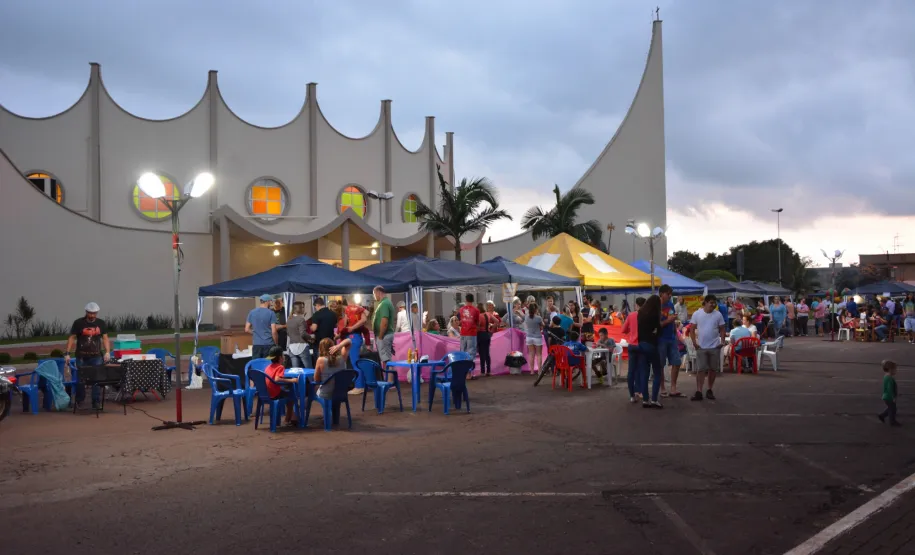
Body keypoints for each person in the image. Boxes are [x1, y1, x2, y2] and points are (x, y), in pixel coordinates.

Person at [64, 302, 112, 410]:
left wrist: (107, 352)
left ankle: (96, 401)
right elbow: (72, 338)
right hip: (81, 356)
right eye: (90, 313)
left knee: (96, 379)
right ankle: (79, 400)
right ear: (86, 312)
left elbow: (105, 338)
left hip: (96, 356)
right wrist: (67, 353)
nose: (92, 315)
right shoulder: (78, 323)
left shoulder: (101, 323)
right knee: (81, 379)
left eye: (94, 313)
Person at [689, 294, 726, 401]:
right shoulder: (697, 314)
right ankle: (699, 391)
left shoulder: (718, 314)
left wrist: (722, 341)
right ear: (705, 302)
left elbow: (722, 328)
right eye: (711, 303)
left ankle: (709, 389)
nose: (713, 305)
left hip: (715, 346)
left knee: (713, 369)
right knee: (700, 369)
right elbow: (692, 329)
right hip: (701, 346)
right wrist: (694, 342)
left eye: (715, 303)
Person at [636, 295, 663, 409]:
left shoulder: (640, 313)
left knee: (644, 373)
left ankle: (645, 400)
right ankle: (654, 399)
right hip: (651, 345)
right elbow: (658, 330)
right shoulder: (655, 314)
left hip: (641, 344)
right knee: (657, 372)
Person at [264, 346, 300, 426]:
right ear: (280, 357)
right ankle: (288, 419)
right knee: (292, 396)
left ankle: (291, 416)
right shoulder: (280, 367)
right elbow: (277, 379)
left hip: (267, 392)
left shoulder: (268, 367)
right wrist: (292, 380)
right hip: (275, 393)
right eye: (283, 355)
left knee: (287, 392)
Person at [657, 284, 682, 397]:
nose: (670, 296)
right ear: (661, 294)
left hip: (671, 338)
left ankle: (673, 387)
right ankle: (662, 387)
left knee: (677, 362)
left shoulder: (671, 304)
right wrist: (668, 320)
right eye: (668, 294)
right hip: (661, 338)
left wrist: (675, 332)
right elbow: (656, 325)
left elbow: (672, 319)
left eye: (671, 294)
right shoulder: (656, 306)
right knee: (661, 364)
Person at [621, 297, 645, 403]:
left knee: (631, 371)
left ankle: (632, 395)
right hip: (642, 345)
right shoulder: (647, 315)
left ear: (636, 305)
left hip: (632, 345)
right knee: (642, 369)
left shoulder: (631, 315)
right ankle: (641, 391)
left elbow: (623, 330)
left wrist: (631, 329)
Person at [371, 286, 395, 387]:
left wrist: (380, 336)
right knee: (386, 358)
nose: (374, 296)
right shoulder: (385, 303)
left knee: (386, 358)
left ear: (378, 292)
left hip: (384, 335)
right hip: (385, 335)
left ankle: (390, 382)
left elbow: (384, 322)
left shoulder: (384, 304)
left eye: (374, 294)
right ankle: (388, 381)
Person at [314, 337, 351, 402]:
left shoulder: (320, 360)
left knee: (311, 393)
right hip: (341, 393)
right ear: (333, 346)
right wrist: (339, 346)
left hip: (326, 394)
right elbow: (349, 341)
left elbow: (316, 380)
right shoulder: (343, 357)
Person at [246, 294, 279, 359]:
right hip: (269, 344)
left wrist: (256, 333)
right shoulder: (271, 313)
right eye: (271, 301)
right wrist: (276, 344)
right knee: (268, 364)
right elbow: (274, 331)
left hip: (256, 345)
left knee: (256, 364)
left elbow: (247, 329)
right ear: (267, 301)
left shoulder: (252, 312)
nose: (271, 303)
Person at [286, 301, 314, 368]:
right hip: (302, 346)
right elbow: (303, 334)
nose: (304, 309)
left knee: (295, 370)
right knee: (309, 369)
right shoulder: (301, 319)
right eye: (303, 307)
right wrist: (311, 337)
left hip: (292, 346)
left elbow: (288, 333)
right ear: (300, 309)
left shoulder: (289, 320)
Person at [458, 294, 482, 367]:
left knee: (462, 351)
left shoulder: (461, 309)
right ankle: (468, 371)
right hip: (471, 333)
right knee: (471, 352)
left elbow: (460, 320)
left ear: (466, 300)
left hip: (463, 333)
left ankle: (463, 370)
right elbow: (478, 322)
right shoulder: (476, 310)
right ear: (473, 300)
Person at [479, 301, 500, 376]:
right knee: (487, 353)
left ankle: (482, 371)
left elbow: (478, 326)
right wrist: (491, 330)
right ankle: (488, 371)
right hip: (487, 334)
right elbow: (497, 321)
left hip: (481, 335)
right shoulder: (488, 314)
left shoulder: (479, 316)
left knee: (482, 353)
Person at [877, 359, 900, 426]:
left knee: (891, 408)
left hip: (886, 396)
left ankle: (882, 416)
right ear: (890, 369)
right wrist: (893, 397)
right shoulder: (890, 378)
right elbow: (890, 389)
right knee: (892, 409)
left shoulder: (886, 376)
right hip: (889, 397)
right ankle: (892, 421)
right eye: (895, 369)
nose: (896, 371)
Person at [523, 302, 544, 375]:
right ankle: (539, 371)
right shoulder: (538, 318)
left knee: (531, 354)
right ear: (536, 309)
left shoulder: (526, 317)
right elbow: (542, 325)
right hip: (537, 337)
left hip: (529, 337)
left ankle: (532, 371)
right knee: (539, 354)